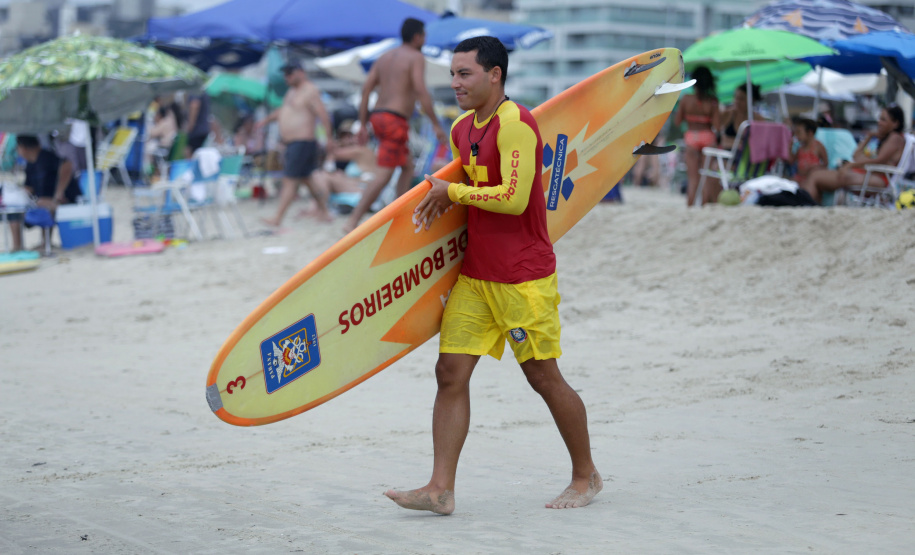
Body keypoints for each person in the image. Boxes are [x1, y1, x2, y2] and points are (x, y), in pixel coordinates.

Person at [385, 36, 602, 515]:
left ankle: (585, 475)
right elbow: (469, 186)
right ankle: (440, 489)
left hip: (523, 276)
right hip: (477, 274)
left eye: (464, 73)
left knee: (543, 377)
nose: (455, 83)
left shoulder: (516, 125)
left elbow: (514, 198)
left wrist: (453, 193)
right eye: (452, 74)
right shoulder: (462, 128)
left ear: (494, 74)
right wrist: (445, 197)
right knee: (449, 373)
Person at [342, 17, 449, 234]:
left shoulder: (384, 57)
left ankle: (399, 214)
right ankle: (352, 221)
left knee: (407, 166)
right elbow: (420, 89)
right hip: (394, 119)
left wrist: (362, 123)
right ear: (417, 37)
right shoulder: (415, 57)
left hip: (378, 116)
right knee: (384, 173)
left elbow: (366, 89)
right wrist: (436, 124)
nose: (425, 40)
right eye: (424, 36)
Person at [258, 60, 335, 226]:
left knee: (290, 180)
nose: (287, 77)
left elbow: (323, 114)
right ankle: (325, 212)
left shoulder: (310, 90)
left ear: (301, 72)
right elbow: (283, 112)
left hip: (302, 142)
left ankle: (278, 218)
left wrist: (329, 138)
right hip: (295, 143)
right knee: (308, 180)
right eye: (285, 74)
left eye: (290, 73)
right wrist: (265, 120)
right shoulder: (291, 92)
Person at [801, 105, 906, 204]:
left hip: (878, 179)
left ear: (895, 123)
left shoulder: (895, 137)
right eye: (879, 119)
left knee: (816, 176)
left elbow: (879, 160)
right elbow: (855, 156)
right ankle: (811, 206)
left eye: (883, 119)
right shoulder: (883, 139)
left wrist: (850, 165)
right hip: (869, 175)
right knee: (816, 176)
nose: (879, 122)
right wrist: (869, 137)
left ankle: (806, 206)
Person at [7, 135, 80, 251]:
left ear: (23, 148)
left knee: (43, 203)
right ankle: (17, 247)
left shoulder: (47, 157)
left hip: (66, 199)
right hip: (43, 200)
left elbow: (67, 165)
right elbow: (29, 188)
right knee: (14, 209)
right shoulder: (30, 164)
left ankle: (46, 243)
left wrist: (59, 193)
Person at [673, 66, 719, 205]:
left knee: (692, 178)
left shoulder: (686, 99)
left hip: (691, 137)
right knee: (706, 176)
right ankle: (704, 205)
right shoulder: (712, 101)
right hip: (708, 137)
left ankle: (690, 205)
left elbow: (677, 121)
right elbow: (717, 126)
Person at [788, 117, 828, 184]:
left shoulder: (818, 146)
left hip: (813, 178)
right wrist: (789, 148)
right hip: (800, 177)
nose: (796, 136)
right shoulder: (800, 148)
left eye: (799, 132)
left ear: (810, 133)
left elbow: (825, 164)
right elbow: (791, 161)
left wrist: (816, 168)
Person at [184, 92, 211, 157]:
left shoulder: (195, 90)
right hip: (203, 130)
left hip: (197, 131)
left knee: (190, 154)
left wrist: (190, 125)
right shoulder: (203, 91)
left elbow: (194, 105)